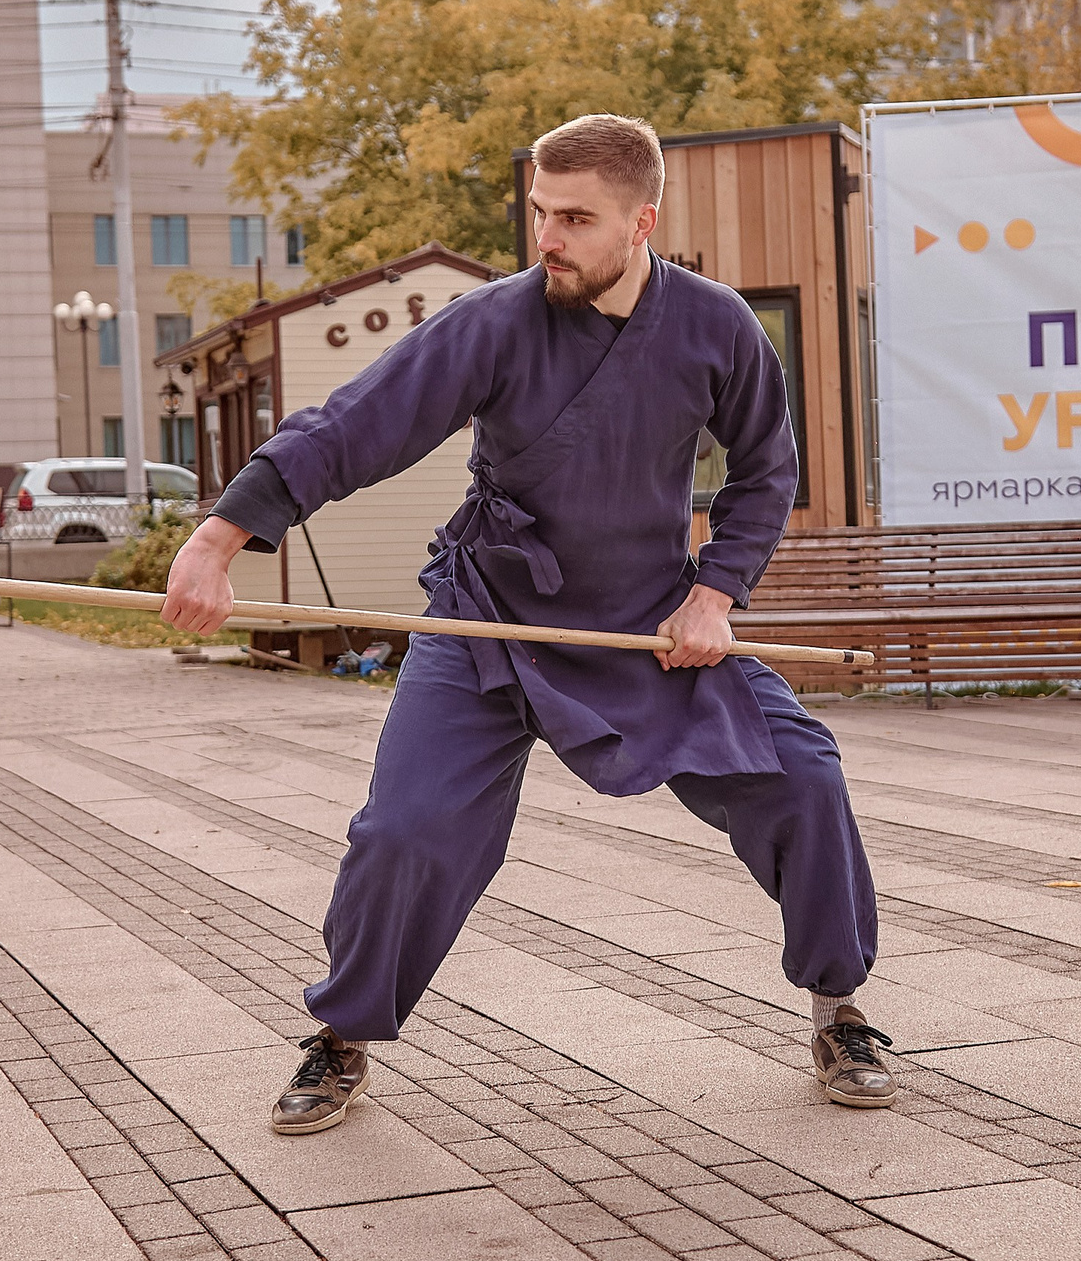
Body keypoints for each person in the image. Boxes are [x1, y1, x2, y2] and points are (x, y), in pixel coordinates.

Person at [160, 113, 892, 1133]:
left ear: (642, 221)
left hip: (645, 620)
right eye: (540, 213)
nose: (546, 238)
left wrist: (713, 595)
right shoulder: (495, 321)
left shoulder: (717, 326)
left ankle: (838, 1007)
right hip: (486, 619)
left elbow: (766, 470)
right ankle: (341, 1037)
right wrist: (218, 539)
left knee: (805, 775)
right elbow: (353, 425)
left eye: (575, 218)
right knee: (405, 829)